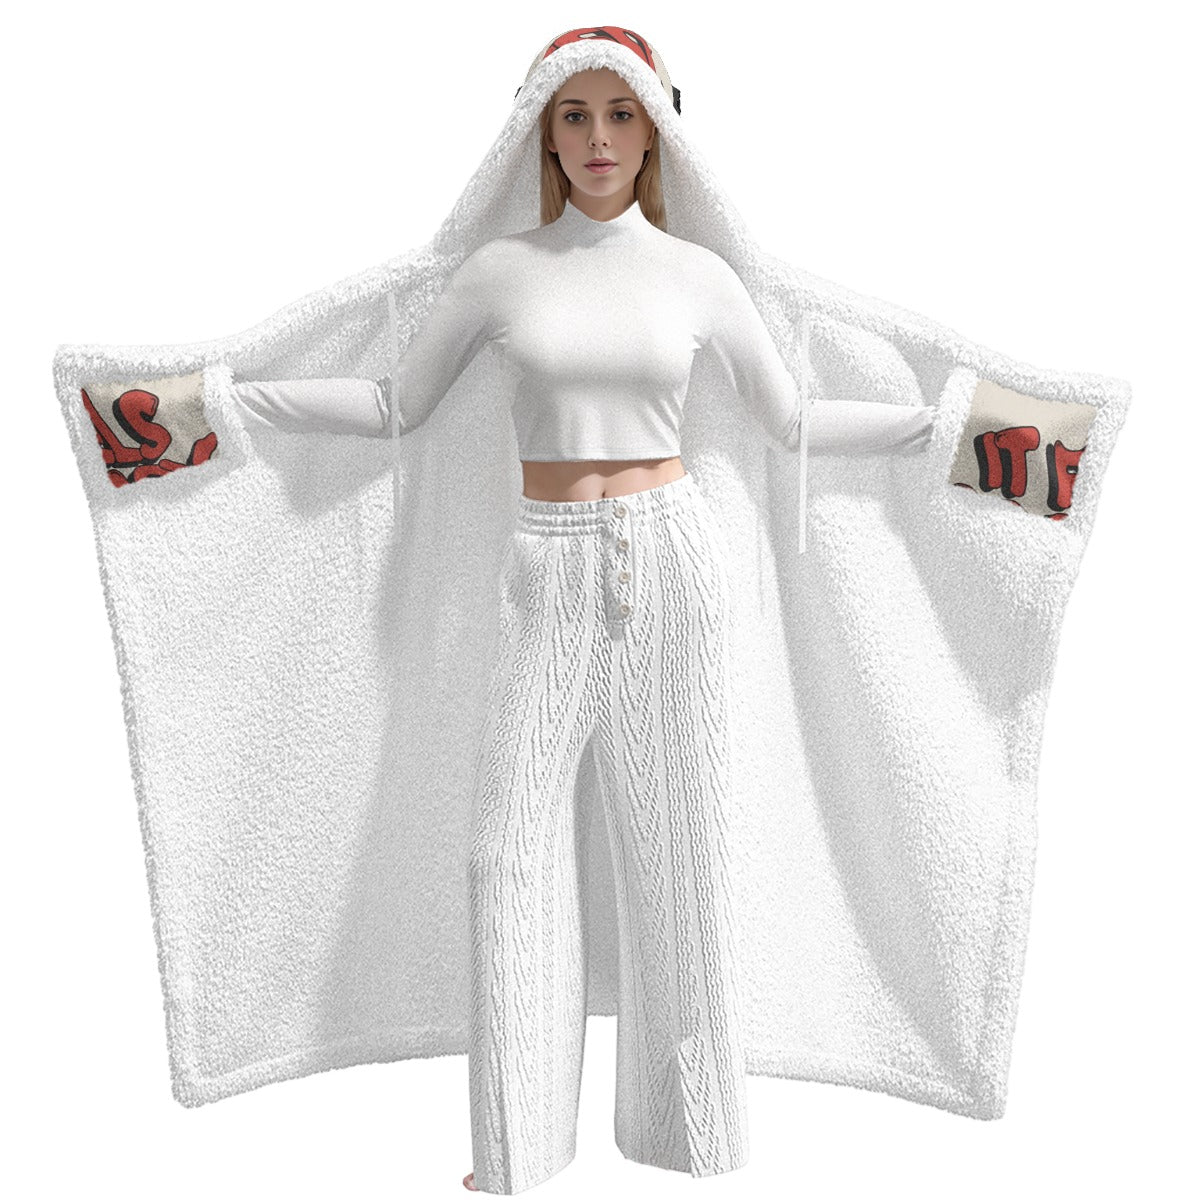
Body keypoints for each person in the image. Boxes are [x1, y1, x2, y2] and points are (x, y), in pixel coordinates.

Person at [227, 33, 932, 1197]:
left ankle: (696, 1143)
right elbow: (398, 404)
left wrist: (945, 432)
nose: (598, 138)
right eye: (572, 115)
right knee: (503, 856)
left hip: (673, 569)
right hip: (543, 567)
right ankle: (513, 1158)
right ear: (539, 136)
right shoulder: (501, 272)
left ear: (656, 130)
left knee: (685, 855)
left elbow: (792, 421)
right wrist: (228, 402)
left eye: (620, 113)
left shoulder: (698, 276)